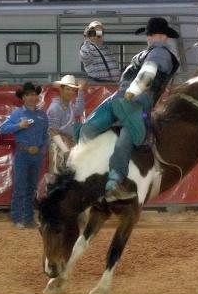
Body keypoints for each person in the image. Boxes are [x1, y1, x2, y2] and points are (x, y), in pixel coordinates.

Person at [76, 17, 180, 202]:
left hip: (119, 98)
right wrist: (133, 92)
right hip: (136, 101)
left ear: (158, 36)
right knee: (127, 136)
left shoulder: (150, 53)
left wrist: (130, 91)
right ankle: (114, 181)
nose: (150, 37)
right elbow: (147, 73)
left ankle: (79, 170)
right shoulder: (161, 53)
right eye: (151, 34)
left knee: (89, 127)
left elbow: (147, 72)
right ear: (164, 36)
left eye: (151, 34)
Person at [0, 82, 48, 229]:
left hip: (36, 155)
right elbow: (3, 129)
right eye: (28, 95)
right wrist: (19, 126)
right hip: (22, 153)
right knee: (20, 186)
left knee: (32, 187)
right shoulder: (17, 114)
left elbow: (45, 135)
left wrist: (41, 149)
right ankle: (17, 218)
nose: (31, 97)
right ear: (23, 98)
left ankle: (28, 219)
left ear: (36, 96)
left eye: (33, 94)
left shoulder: (42, 115)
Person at [46, 75, 88, 173]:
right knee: (57, 174)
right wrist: (65, 149)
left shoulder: (69, 105)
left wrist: (80, 92)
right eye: (67, 89)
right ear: (61, 89)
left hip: (68, 143)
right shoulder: (55, 108)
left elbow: (79, 110)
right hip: (58, 145)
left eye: (73, 90)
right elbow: (52, 131)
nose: (71, 92)